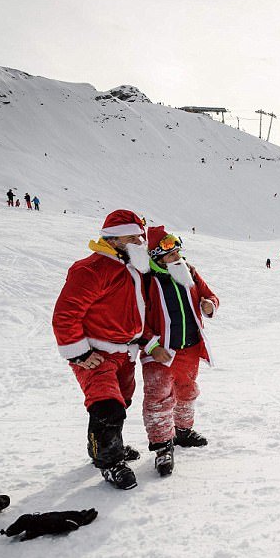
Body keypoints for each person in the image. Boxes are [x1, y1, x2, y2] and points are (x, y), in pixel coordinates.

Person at [52, 210, 152, 490]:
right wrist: (79, 353)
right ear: (113, 238)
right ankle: (110, 462)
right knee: (107, 406)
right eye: (132, 236)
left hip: (125, 353)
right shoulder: (92, 268)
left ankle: (107, 445)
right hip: (96, 354)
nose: (139, 241)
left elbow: (137, 311)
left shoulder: (130, 267)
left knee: (121, 402)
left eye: (140, 236)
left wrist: (144, 340)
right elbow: (65, 314)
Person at [139, 227, 220, 476]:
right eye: (171, 255)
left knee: (186, 392)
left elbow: (211, 296)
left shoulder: (190, 272)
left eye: (178, 252)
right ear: (157, 257)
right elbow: (135, 317)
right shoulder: (145, 280)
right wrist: (152, 345)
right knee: (158, 399)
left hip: (190, 348)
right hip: (161, 352)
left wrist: (209, 306)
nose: (177, 257)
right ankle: (163, 447)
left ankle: (182, 432)